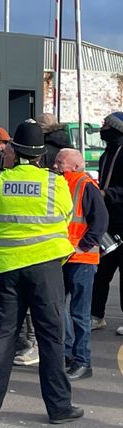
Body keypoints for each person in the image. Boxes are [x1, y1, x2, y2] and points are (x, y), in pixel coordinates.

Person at [0, 121, 83, 425]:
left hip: (6, 267)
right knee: (50, 338)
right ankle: (59, 408)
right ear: (41, 154)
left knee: (3, 337)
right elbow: (65, 214)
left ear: (14, 150)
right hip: (45, 268)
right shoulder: (55, 183)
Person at [53, 149, 108, 380]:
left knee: (79, 313)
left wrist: (83, 246)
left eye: (60, 162)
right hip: (66, 255)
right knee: (60, 308)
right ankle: (69, 356)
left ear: (75, 166)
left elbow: (101, 220)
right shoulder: (63, 183)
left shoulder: (84, 185)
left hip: (81, 258)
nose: (55, 165)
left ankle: (82, 361)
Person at [92, 112, 123, 336]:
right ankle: (96, 315)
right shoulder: (106, 154)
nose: (102, 130)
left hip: (122, 220)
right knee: (101, 271)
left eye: (106, 126)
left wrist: (107, 194)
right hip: (108, 222)